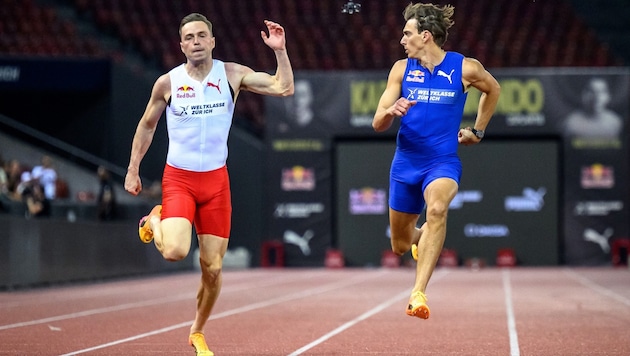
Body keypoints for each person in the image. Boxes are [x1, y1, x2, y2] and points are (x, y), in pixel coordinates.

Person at [124, 13, 294, 356]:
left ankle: (197, 332)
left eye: (203, 35)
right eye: (190, 37)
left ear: (213, 41)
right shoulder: (167, 83)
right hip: (180, 179)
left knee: (213, 269)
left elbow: (283, 87)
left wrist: (280, 50)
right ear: (182, 45)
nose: (197, 41)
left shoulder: (231, 74)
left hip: (216, 181)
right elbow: (146, 126)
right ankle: (156, 218)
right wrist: (133, 170)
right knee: (174, 251)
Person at [372, 2, 500, 319]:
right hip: (405, 164)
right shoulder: (400, 70)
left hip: (441, 162)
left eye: (407, 33)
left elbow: (493, 89)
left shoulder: (465, 68)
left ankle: (418, 294)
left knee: (438, 209)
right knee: (400, 245)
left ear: (425, 36)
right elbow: (377, 122)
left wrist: (478, 130)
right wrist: (391, 111)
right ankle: (420, 239)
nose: (402, 40)